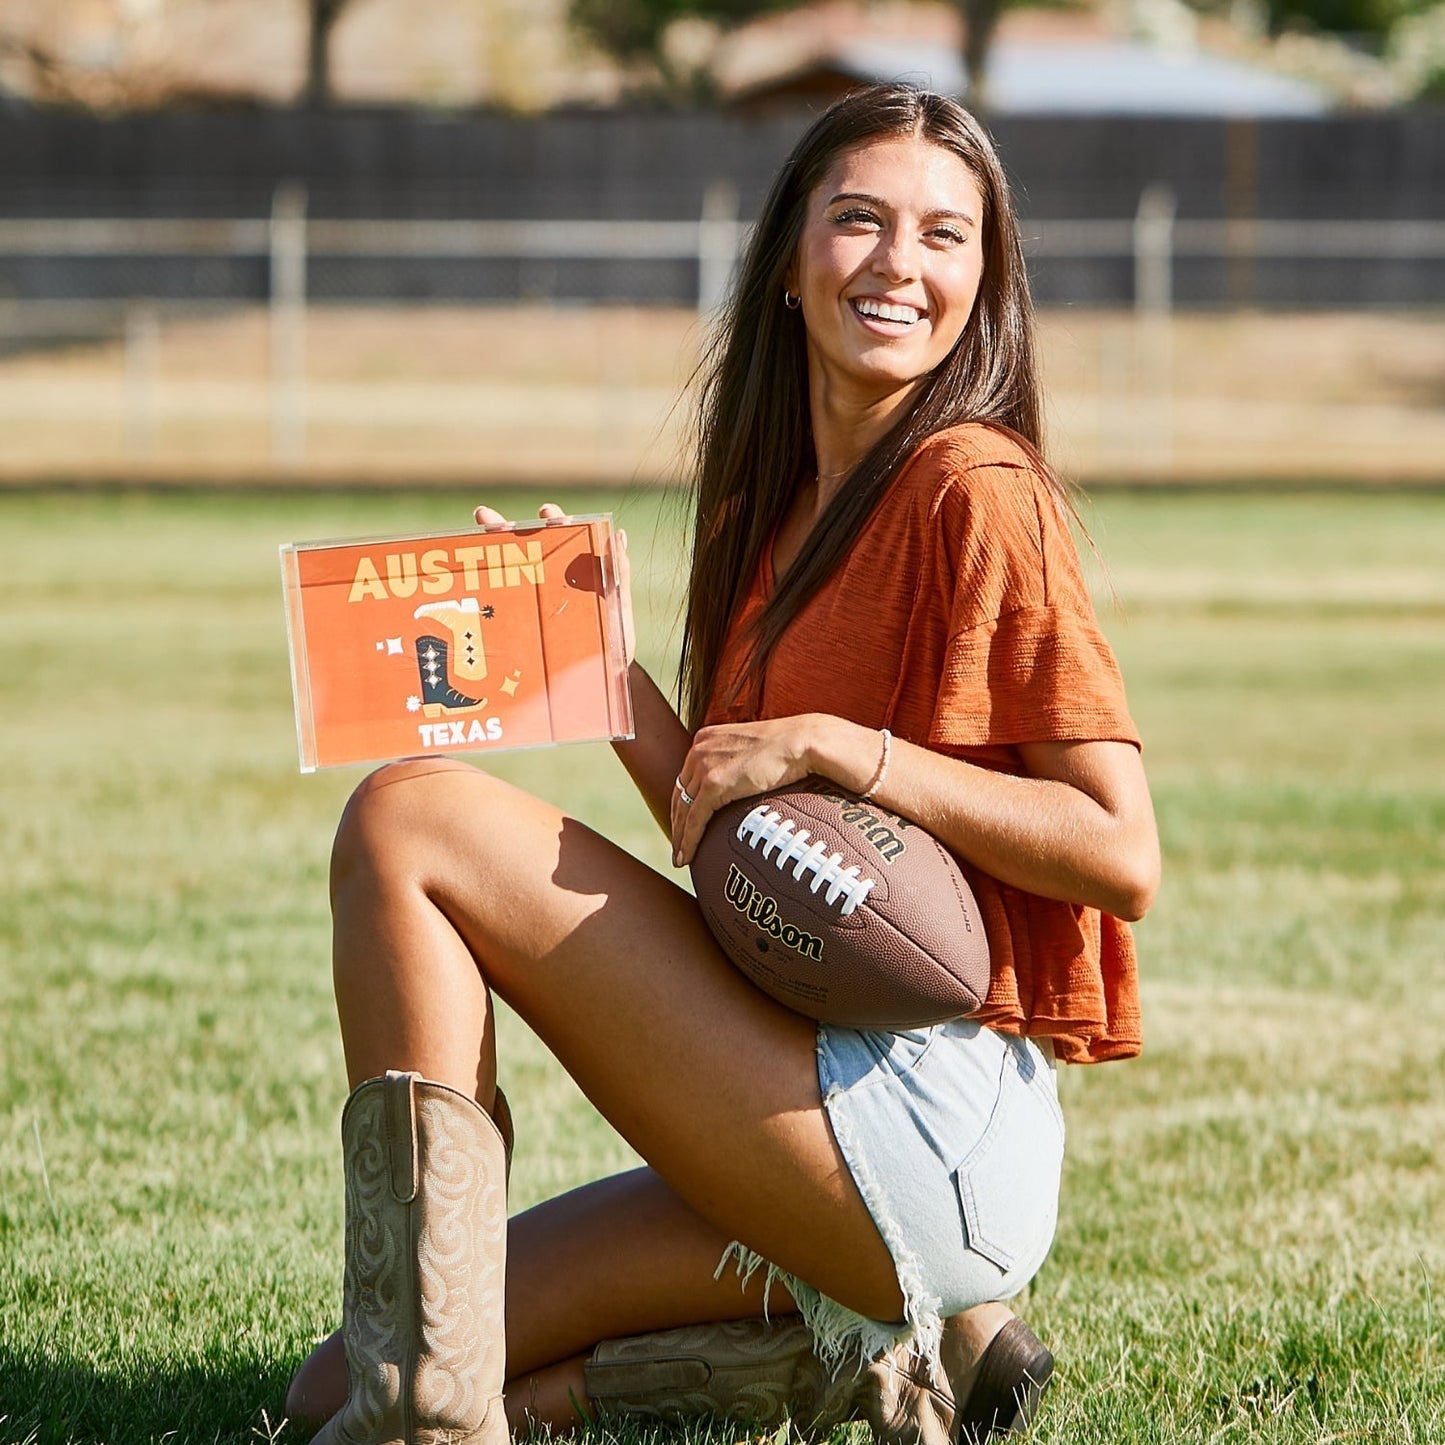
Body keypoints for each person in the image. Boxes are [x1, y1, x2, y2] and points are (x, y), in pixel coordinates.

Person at [285, 83, 1159, 1445]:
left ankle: (439, 1427)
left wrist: (851, 752)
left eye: (944, 236)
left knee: (410, 816)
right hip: (807, 1088)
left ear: (983, 282)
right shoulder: (771, 513)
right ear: (787, 268)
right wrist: (606, 677)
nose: (897, 265)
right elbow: (743, 851)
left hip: (926, 1113)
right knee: (329, 1383)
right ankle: (873, 1356)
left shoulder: (977, 486)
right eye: (858, 221)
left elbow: (1120, 852)